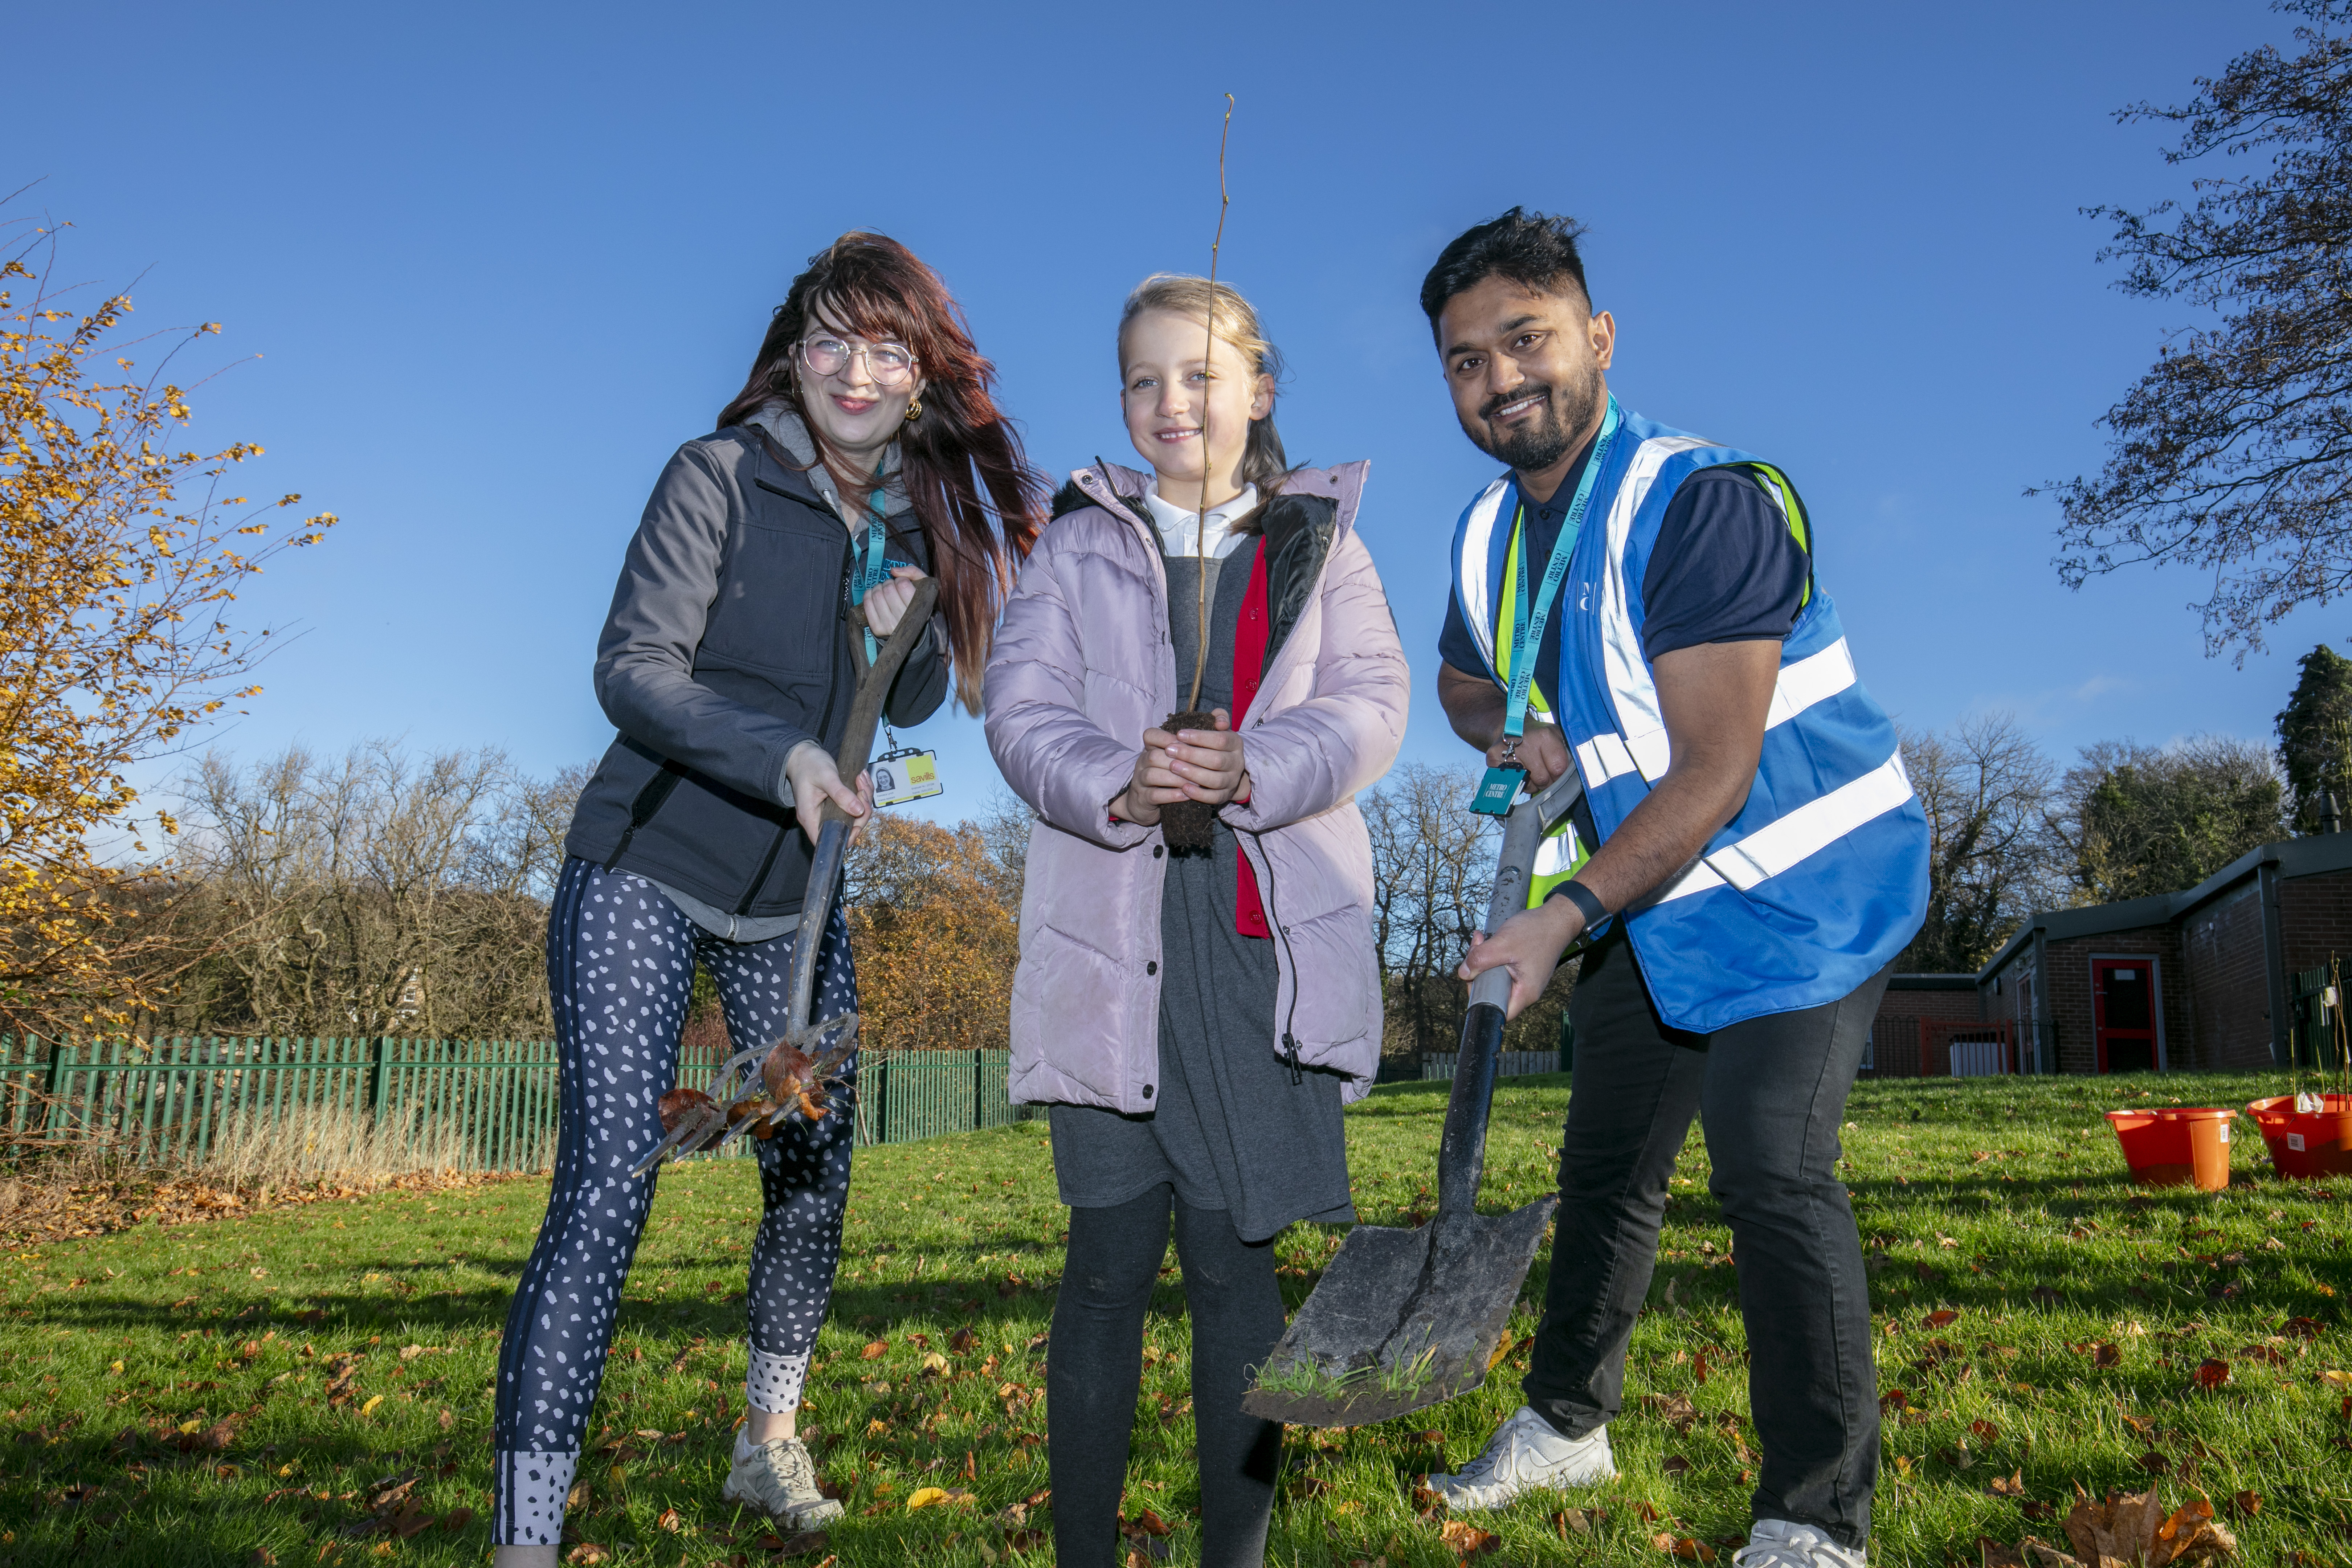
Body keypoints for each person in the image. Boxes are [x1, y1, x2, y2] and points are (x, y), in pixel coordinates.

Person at [490, 232, 1045, 1565]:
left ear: (923, 377)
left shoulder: (917, 517)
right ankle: (522, 1527)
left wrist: (891, 635)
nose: (858, 372)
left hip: (793, 895)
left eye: (889, 349)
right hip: (647, 863)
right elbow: (634, 667)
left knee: (811, 1170)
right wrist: (779, 754)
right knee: (612, 1175)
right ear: (793, 352)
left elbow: (900, 703)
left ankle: (766, 1443)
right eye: (834, 340)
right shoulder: (718, 475)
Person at [1417, 210, 1927, 1568]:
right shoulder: (1486, 533)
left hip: (1809, 889)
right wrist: (1511, 727)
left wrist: (1561, 915)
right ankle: (1568, 1424)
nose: (1500, 379)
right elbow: (1467, 677)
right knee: (1606, 1171)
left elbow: (1710, 771)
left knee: (1772, 1163)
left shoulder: (1699, 503)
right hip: (1664, 899)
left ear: (1597, 338)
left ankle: (1816, 1521)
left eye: (1525, 340)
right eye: (1466, 361)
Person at [984, 275, 1407, 1568]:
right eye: (1144, 381)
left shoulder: (1318, 542)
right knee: (1107, 1271)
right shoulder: (1076, 541)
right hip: (1111, 949)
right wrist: (1116, 782)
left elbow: (1374, 701)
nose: (1174, 402)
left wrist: (1256, 768)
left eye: (1202, 374)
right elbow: (1019, 705)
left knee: (1237, 1275)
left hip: (1256, 952)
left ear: (1260, 388)